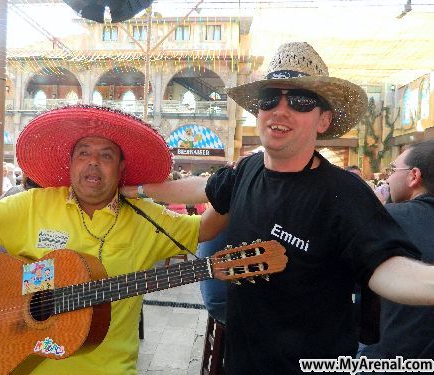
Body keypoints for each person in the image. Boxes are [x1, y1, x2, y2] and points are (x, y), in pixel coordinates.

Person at [121, 42, 434, 374]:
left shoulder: (343, 192)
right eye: (270, 98)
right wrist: (137, 189)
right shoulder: (248, 169)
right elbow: (205, 187)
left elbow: (387, 268)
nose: (280, 110)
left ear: (323, 119)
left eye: (300, 101)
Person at [0, 106, 224, 374]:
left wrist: (234, 184)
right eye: (84, 153)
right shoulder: (34, 203)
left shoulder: (146, 218)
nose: (93, 163)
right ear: (71, 162)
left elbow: (205, 229)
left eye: (106, 155)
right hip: (18, 364)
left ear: (121, 168)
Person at [360, 140, 434, 361]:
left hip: (398, 357)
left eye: (392, 170)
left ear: (414, 176)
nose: (388, 178)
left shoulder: (389, 218)